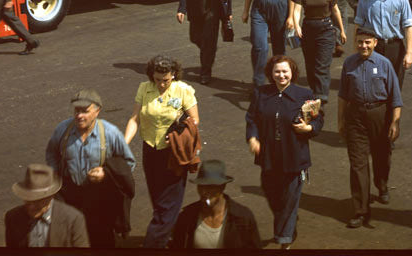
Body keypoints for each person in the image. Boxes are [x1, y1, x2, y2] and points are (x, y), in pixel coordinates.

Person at [245, 54, 323, 249]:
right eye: (277, 71)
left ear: (292, 73)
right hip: (269, 156)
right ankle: (288, 225)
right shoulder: (261, 93)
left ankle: (284, 239)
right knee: (272, 195)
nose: (281, 75)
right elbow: (252, 118)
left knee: (289, 199)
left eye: (285, 71)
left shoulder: (304, 94)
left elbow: (318, 118)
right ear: (271, 73)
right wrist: (253, 138)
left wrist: (309, 128)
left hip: (294, 155)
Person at [45, 87, 136, 248]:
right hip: (69, 196)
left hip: (99, 198)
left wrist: (106, 174)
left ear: (97, 111)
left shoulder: (110, 133)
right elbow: (51, 153)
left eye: (85, 111)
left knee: (101, 239)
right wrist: (55, 175)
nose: (79, 116)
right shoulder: (62, 130)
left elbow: (129, 162)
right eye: (76, 111)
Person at [124, 54, 199, 249]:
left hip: (173, 152)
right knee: (158, 199)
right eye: (157, 79)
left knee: (169, 202)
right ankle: (168, 237)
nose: (162, 84)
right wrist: (124, 143)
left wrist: (177, 133)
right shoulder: (144, 88)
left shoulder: (183, 90)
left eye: (165, 80)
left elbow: (194, 121)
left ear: (173, 74)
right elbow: (134, 119)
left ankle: (153, 244)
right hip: (150, 149)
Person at [338, 27, 402, 228]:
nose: (363, 46)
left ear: (375, 42)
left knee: (382, 157)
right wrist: (340, 121)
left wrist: (394, 122)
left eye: (367, 42)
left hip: (380, 116)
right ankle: (360, 209)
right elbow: (342, 95)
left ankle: (382, 184)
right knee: (357, 163)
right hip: (355, 117)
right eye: (359, 42)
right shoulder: (349, 64)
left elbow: (396, 97)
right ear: (355, 42)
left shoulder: (384, 64)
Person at [170, 158, 262, 250]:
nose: (204, 192)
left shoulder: (242, 218)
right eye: (201, 186)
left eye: (211, 187)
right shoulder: (186, 217)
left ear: (222, 187)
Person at [291, 0, 345, 102]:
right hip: (308, 28)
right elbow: (297, 10)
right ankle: (315, 92)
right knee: (310, 65)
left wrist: (342, 30)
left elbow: (335, 11)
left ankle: (321, 98)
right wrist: (297, 26)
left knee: (322, 65)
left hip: (326, 30)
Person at [354, 0, 412, 85]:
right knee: (374, 82)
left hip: (395, 47)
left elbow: (408, 26)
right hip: (374, 47)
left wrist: (409, 53)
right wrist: (356, 50)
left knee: (395, 83)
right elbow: (358, 26)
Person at [4, 164, 89, 248]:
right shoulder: (12, 218)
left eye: (38, 201)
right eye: (28, 200)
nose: (31, 207)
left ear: (51, 196)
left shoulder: (74, 219)